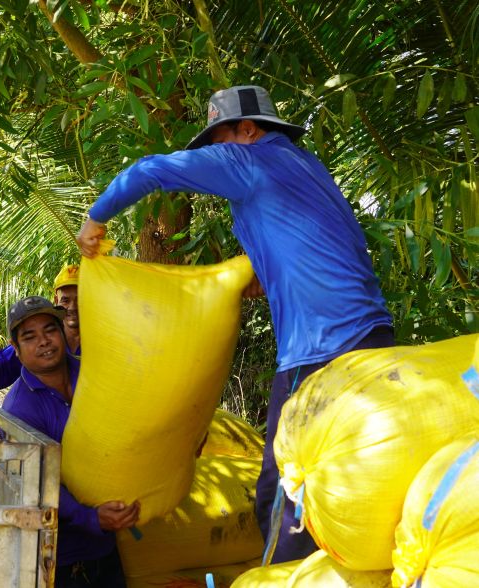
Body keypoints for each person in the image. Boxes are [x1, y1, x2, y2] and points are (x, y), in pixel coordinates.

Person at [75, 85, 394, 562]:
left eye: (220, 139)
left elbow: (150, 170)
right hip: (373, 336)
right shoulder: (306, 167)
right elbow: (322, 240)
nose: (216, 152)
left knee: (285, 490)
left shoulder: (250, 162)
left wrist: (95, 219)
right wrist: (264, 272)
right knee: (353, 479)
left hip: (322, 346)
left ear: (247, 129)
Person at [1, 296, 138, 587]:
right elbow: (34, 479)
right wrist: (90, 518)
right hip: (56, 557)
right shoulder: (18, 410)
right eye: (29, 337)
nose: (43, 341)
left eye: (50, 330)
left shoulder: (95, 374)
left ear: (63, 332)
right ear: (16, 349)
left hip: (106, 546)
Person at [0, 263, 80, 407]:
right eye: (65, 300)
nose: (73, 307)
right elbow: (1, 366)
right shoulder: (39, 345)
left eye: (81, 299)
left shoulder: (98, 341)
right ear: (56, 300)